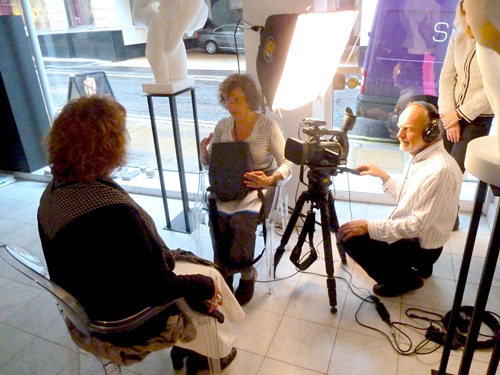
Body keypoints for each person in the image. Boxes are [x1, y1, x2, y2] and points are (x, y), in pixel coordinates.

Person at [37, 95, 244, 373]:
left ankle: (193, 347)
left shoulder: (52, 194)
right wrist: (202, 285)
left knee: (199, 275)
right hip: (124, 323)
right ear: (107, 147)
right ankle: (211, 354)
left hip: (90, 306)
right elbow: (157, 288)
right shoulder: (115, 215)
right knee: (211, 278)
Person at [338, 102, 463, 297]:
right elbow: (410, 195)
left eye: (408, 129)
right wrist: (382, 175)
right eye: (400, 128)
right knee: (365, 230)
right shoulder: (423, 156)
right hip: (423, 241)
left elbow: (418, 225)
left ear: (429, 133)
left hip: (422, 246)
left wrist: (368, 227)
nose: (399, 135)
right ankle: (418, 267)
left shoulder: (440, 170)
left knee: (349, 237)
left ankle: (405, 279)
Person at [200, 74, 293, 305]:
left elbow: (288, 163)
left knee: (241, 223)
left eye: (237, 100)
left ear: (250, 99)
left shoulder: (268, 126)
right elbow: (212, 163)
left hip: (256, 187)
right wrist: (204, 151)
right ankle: (224, 270)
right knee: (218, 220)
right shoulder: (223, 125)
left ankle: (246, 273)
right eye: (228, 100)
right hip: (229, 185)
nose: (231, 106)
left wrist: (271, 178)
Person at [438, 0, 494, 173]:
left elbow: (492, 86)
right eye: (464, 12)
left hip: (477, 117)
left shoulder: (494, 43)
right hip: (450, 115)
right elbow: (446, 77)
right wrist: (449, 114)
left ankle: (448, 200)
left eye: (471, 11)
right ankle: (437, 201)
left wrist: (460, 115)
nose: (468, 17)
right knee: (439, 166)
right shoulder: (458, 38)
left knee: (454, 170)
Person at [132, 0, 208, 83]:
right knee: (162, 77)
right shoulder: (158, 25)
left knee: (178, 77)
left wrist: (177, 32)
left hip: (172, 35)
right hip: (162, 32)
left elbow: (195, 10)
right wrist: (152, 18)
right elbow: (137, 15)